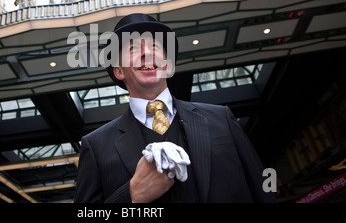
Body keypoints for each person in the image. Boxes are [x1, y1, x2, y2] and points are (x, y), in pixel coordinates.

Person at [74, 13, 276, 203]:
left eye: (154, 46)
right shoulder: (96, 146)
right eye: (133, 48)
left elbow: (262, 190)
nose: (146, 53)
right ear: (119, 71)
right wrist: (132, 195)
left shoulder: (221, 119)